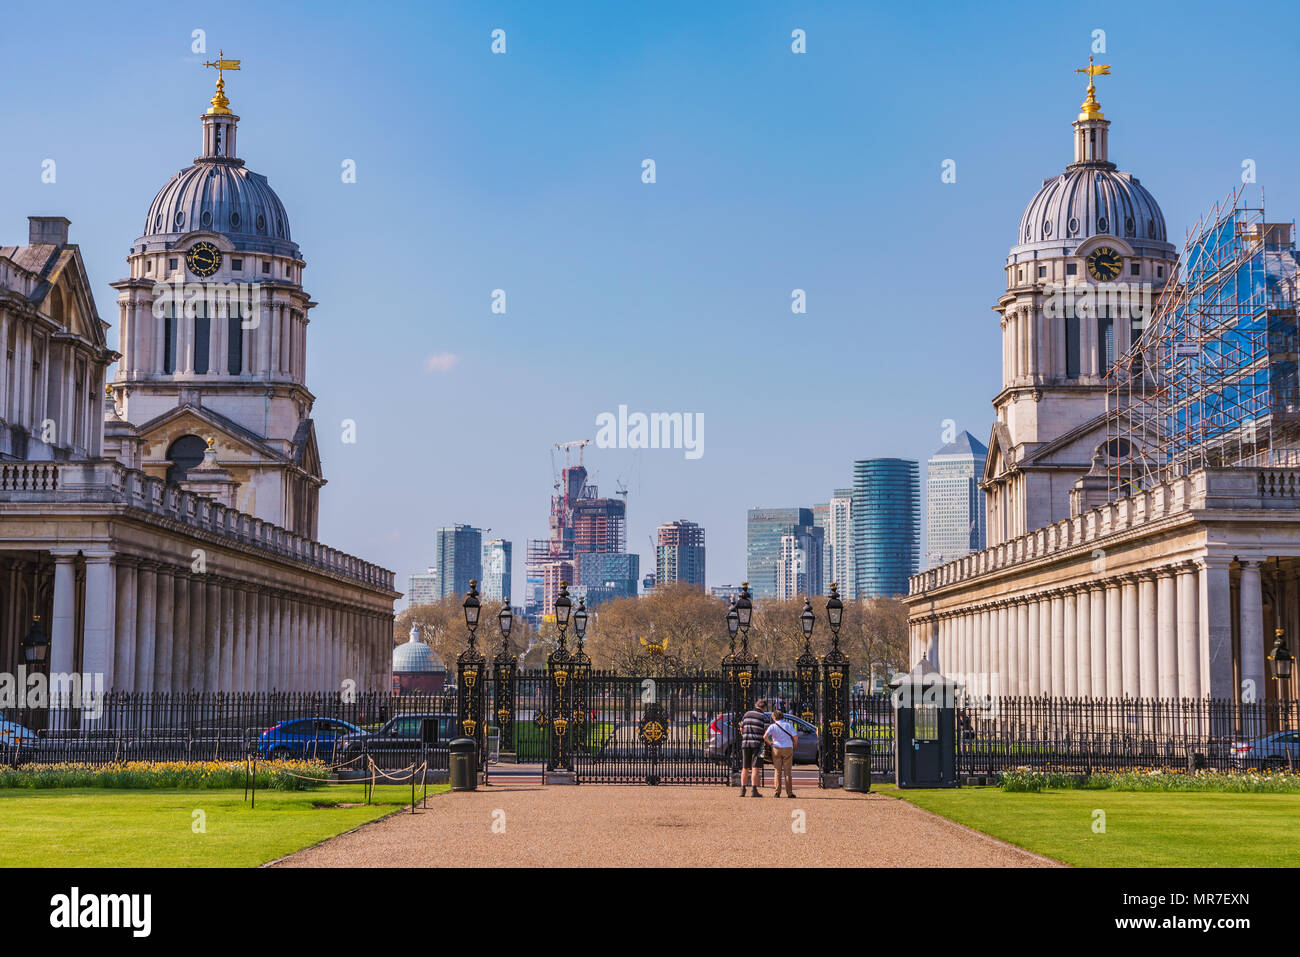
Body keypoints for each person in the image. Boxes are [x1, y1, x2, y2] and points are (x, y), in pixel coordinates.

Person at [738, 698, 770, 797]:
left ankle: (742, 790)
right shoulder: (763, 717)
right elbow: (767, 732)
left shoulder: (746, 714)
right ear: (764, 708)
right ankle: (754, 790)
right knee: (755, 767)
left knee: (745, 767)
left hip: (745, 743)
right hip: (757, 744)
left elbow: (741, 728)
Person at [764, 708, 798, 798]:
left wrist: (770, 743)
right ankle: (789, 793)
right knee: (788, 772)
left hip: (776, 748)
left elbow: (765, 736)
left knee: (777, 771)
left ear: (774, 718)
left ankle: (777, 792)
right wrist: (794, 744)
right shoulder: (789, 725)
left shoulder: (772, 726)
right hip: (787, 747)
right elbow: (795, 736)